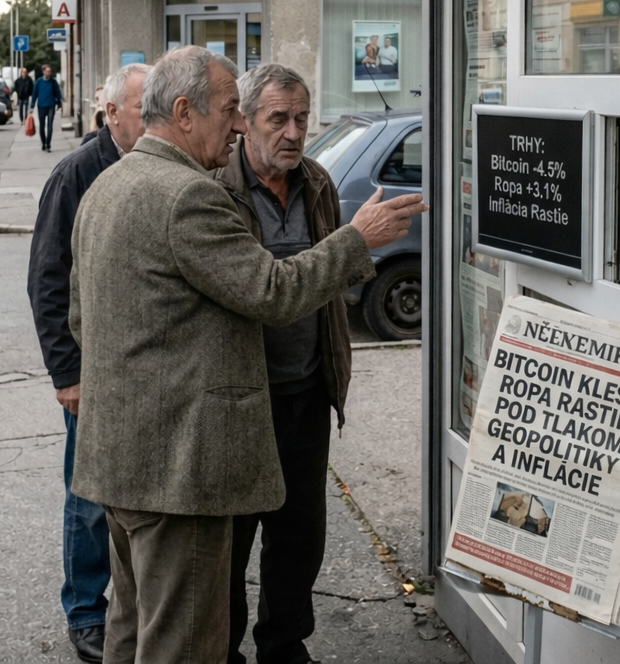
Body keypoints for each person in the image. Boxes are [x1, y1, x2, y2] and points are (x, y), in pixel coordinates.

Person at [68, 46, 426, 664]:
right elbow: (273, 290)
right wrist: (357, 239)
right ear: (184, 112)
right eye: (233, 110)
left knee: (131, 634)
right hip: (179, 471)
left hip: (121, 461)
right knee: (183, 645)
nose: (236, 125)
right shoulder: (190, 195)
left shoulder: (107, 183)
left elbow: (84, 319)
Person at [213, 64, 350, 664]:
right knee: (232, 536)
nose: (294, 132)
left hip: (305, 390)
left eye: (301, 117)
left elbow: (333, 277)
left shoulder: (318, 182)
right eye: (279, 119)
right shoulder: (214, 187)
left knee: (299, 533)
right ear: (243, 121)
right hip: (240, 397)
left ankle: (284, 643)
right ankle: (224, 648)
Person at [27, 62, 148, 664]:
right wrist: (66, 374)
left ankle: (130, 606)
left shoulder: (153, 167)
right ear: (110, 114)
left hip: (142, 371)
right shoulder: (77, 173)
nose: (151, 116)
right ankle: (84, 611)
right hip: (93, 373)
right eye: (141, 106)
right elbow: (47, 279)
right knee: (89, 497)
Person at [31, 64, 63, 152]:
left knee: (50, 125)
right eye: (48, 71)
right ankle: (43, 143)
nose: (49, 73)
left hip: (51, 106)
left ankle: (48, 144)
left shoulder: (53, 82)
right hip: (41, 106)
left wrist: (59, 103)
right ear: (43, 71)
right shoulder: (39, 81)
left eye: (50, 71)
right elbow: (34, 94)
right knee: (42, 126)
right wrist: (32, 106)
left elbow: (58, 93)